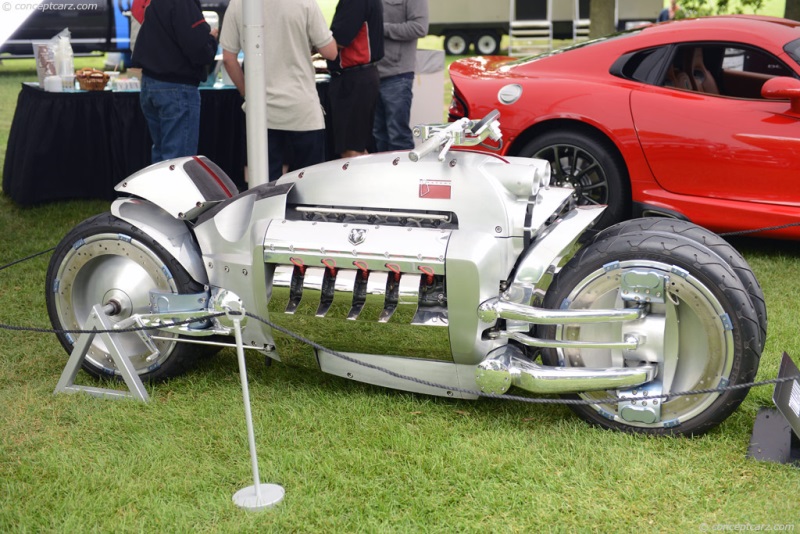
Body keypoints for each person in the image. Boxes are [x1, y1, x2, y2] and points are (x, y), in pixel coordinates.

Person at [219, 0, 338, 182]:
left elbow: (228, 59)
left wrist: (247, 93)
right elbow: (330, 52)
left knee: (265, 190)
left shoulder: (239, 3)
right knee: (310, 187)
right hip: (303, 109)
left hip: (260, 111)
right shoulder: (304, 3)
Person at [131, 0, 218, 163]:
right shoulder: (184, 3)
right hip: (176, 88)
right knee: (178, 164)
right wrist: (212, 39)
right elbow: (199, 49)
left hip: (152, 83)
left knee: (162, 159)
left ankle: (157, 189)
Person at [328, 0, 384, 159]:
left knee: (351, 149)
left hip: (354, 79)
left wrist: (307, 46)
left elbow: (338, 40)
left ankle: (359, 184)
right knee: (358, 146)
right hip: (362, 77)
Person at [373, 0, 428, 152]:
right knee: (378, 136)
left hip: (397, 74)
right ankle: (383, 175)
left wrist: (380, 28)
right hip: (372, 73)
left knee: (398, 137)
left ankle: (404, 175)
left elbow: (420, 28)